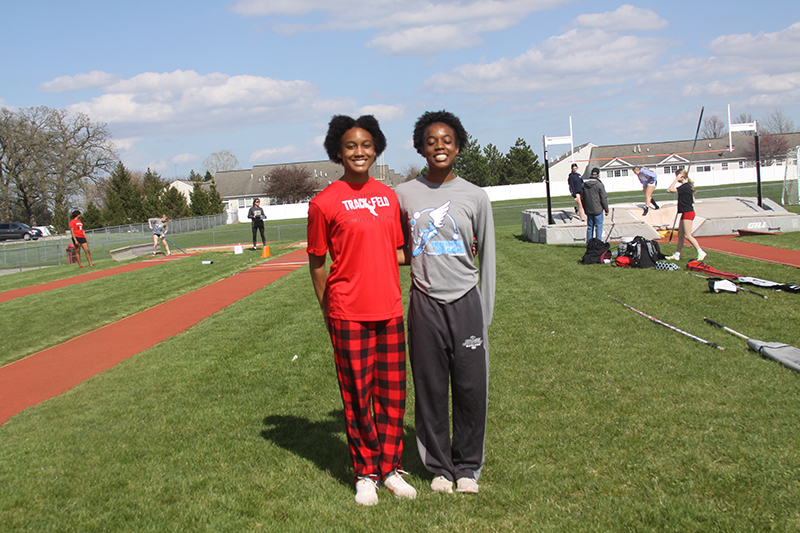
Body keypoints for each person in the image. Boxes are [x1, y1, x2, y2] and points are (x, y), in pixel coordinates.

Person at [307, 114, 416, 506]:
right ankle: (365, 473)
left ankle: (391, 469)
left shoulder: (388, 196)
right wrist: (327, 310)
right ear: (338, 150)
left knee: (392, 396)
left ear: (377, 149)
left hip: (388, 308)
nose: (359, 151)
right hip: (347, 312)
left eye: (366, 145)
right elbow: (317, 263)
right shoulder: (323, 203)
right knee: (357, 397)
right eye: (351, 146)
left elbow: (399, 251)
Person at [396, 110, 496, 495]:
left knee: (471, 388)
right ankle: (439, 467)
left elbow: (487, 257)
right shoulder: (403, 195)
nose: (439, 146)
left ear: (458, 146)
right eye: (431, 140)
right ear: (421, 147)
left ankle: (468, 467)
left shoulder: (475, 196)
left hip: (466, 302)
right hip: (424, 303)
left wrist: (483, 312)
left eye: (447, 140)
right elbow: (399, 249)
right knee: (430, 388)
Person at [666, 169, 706, 261]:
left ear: (681, 176)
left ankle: (700, 251)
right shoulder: (687, 187)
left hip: (688, 212)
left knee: (687, 235)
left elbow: (669, 190)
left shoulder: (685, 186)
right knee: (680, 234)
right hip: (685, 212)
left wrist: (675, 180)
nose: (676, 178)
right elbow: (693, 199)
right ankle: (677, 255)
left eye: (677, 176)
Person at [581, 167, 609, 244]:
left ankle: (589, 244)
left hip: (589, 209)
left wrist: (585, 209)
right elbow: (603, 198)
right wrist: (606, 209)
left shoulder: (584, 185)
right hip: (598, 209)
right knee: (599, 227)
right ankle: (598, 243)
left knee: (590, 227)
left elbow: (582, 198)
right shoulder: (599, 185)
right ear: (598, 175)